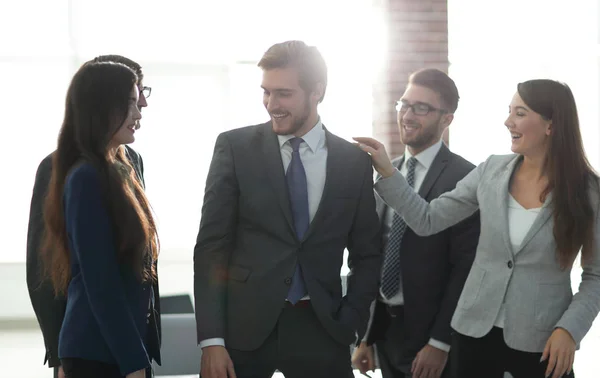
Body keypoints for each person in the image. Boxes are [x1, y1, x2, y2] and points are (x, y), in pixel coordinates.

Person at [354, 79, 600, 378]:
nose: (508, 121)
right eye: (510, 111)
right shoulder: (491, 171)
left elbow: (596, 275)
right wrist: (389, 172)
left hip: (544, 340)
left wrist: (569, 330)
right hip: (473, 336)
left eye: (520, 113)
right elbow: (427, 219)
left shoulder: (588, 191)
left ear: (551, 124)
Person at [194, 40, 383, 378]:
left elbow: (367, 253)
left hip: (323, 329)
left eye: (283, 93)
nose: (271, 104)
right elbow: (211, 248)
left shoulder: (353, 161)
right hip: (243, 332)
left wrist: (352, 320)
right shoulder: (234, 148)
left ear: (317, 92)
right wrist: (212, 340)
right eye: (266, 92)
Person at [26, 55, 159, 378]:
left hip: (122, 343)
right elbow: (95, 280)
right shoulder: (83, 175)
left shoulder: (123, 163)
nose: (141, 108)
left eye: (141, 95)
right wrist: (132, 361)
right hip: (97, 349)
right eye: (131, 99)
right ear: (104, 106)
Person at [351, 69, 479, 378]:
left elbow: (466, 269)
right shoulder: (386, 174)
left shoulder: (466, 178)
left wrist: (440, 341)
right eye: (404, 104)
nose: (407, 115)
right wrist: (366, 337)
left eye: (421, 108)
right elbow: (375, 256)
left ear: (446, 119)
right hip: (387, 333)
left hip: (434, 337)